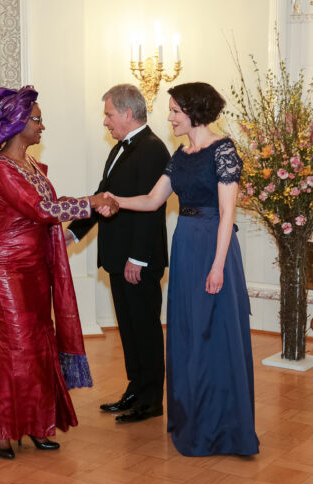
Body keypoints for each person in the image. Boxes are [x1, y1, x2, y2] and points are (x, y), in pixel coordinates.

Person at [109, 82, 259, 456]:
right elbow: (151, 199)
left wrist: (219, 267)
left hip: (212, 245)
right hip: (186, 244)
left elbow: (228, 214)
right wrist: (113, 200)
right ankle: (193, 419)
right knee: (189, 332)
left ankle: (222, 428)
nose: (170, 116)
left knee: (214, 333)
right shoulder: (180, 154)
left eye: (175, 110)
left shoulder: (223, 150)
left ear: (193, 112)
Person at [0, 86, 118, 460]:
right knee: (16, 344)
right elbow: (40, 208)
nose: (42, 126)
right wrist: (90, 202)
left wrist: (88, 202)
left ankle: (37, 424)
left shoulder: (30, 164)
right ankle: (1, 429)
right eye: (36, 119)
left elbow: (44, 207)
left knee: (39, 344)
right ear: (18, 123)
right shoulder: (1, 167)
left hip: (35, 266)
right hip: (5, 265)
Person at [67, 84, 169, 423]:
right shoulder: (119, 149)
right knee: (128, 327)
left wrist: (137, 258)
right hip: (117, 255)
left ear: (127, 113)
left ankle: (151, 399)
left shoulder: (153, 149)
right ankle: (135, 388)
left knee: (145, 328)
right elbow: (103, 197)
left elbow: (152, 208)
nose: (106, 122)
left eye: (109, 115)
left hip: (137, 259)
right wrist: (73, 231)